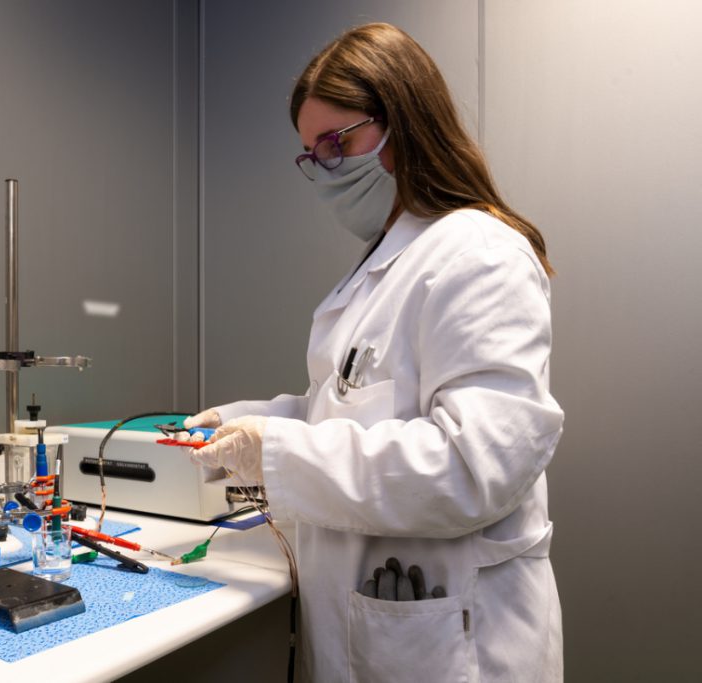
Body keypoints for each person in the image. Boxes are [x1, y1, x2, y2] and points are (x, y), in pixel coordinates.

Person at [185, 23, 564, 683]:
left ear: (404, 123)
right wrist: (251, 421)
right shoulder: (379, 271)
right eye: (312, 153)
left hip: (461, 643)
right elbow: (348, 411)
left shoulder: (480, 253)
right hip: (375, 632)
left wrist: (273, 451)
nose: (326, 167)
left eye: (337, 143)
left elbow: (474, 467)